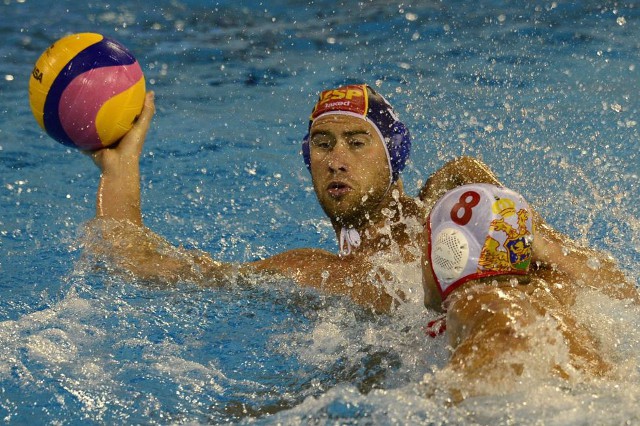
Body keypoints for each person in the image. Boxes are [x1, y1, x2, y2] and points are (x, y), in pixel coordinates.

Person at [420, 182, 639, 399]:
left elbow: (509, 331)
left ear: (447, 250)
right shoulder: (549, 291)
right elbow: (621, 289)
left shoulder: (479, 300)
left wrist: (443, 397)